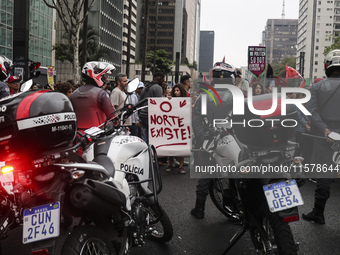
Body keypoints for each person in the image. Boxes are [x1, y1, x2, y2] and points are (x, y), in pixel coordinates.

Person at [191, 62, 237, 219]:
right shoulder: (236, 96)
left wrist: (203, 137)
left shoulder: (204, 95)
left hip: (208, 141)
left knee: (205, 174)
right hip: (233, 141)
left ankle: (199, 209)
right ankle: (232, 207)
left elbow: (196, 119)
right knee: (234, 174)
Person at [302, 49, 340, 224]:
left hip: (324, 137)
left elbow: (312, 112)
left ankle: (318, 213)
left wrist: (325, 130)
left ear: (327, 66)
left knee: (323, 174)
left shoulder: (317, 87)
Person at [70, 61, 116, 133]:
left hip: (78, 134)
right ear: (96, 75)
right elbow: (112, 116)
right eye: (103, 76)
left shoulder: (74, 94)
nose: (105, 79)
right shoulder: (101, 94)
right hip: (97, 134)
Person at [166, 84, 187, 174]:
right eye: (175, 91)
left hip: (181, 126)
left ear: (181, 91)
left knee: (181, 147)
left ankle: (181, 166)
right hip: (172, 126)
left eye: (178, 90)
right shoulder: (171, 100)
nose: (176, 92)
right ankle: (170, 164)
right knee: (171, 146)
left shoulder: (186, 101)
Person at [138, 72, 165, 144]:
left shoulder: (145, 88)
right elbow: (159, 103)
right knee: (152, 138)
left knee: (144, 137)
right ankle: (151, 153)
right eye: (162, 80)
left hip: (142, 115)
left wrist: (139, 117)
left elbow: (140, 103)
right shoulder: (157, 88)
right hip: (152, 116)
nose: (163, 82)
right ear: (159, 79)